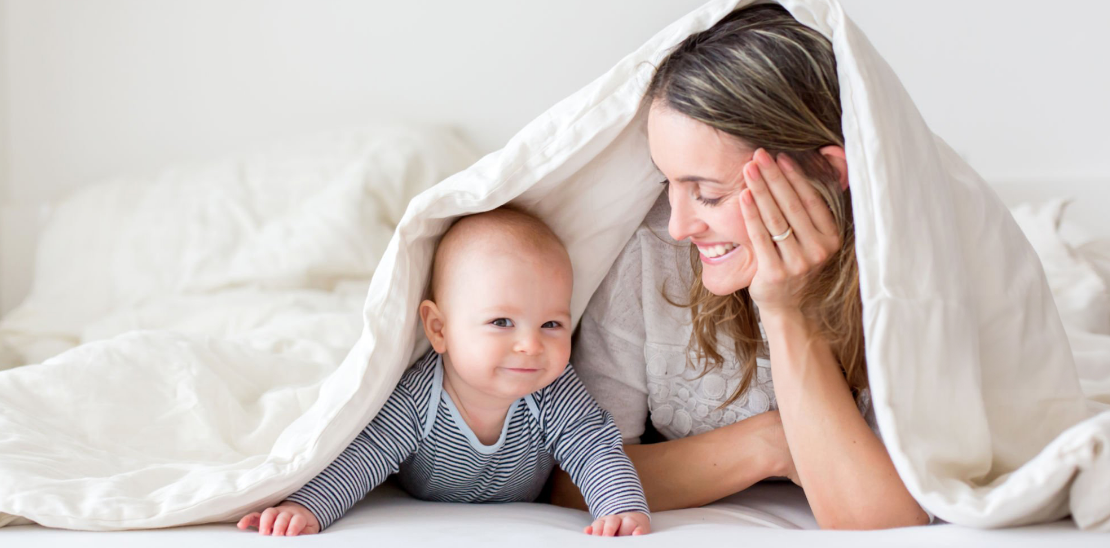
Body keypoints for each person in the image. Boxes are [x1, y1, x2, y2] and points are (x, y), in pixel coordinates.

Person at [551, 4, 930, 529]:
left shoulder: (905, 278)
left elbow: (883, 526)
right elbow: (574, 480)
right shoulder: (650, 250)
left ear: (827, 171)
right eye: (669, 185)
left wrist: (787, 310)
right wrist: (770, 443)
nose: (680, 226)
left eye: (707, 194)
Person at [238, 208, 650, 537]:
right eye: (501, 322)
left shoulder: (552, 389)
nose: (531, 345)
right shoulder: (419, 398)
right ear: (439, 329)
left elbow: (593, 447)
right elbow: (364, 457)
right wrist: (305, 508)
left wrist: (621, 508)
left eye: (551, 325)